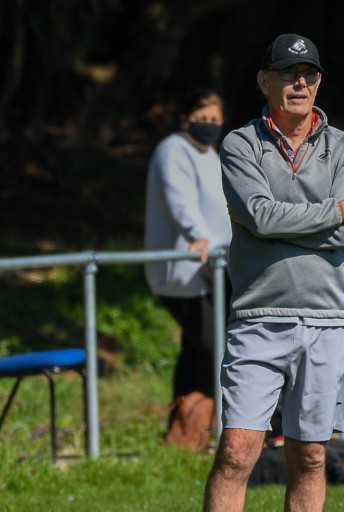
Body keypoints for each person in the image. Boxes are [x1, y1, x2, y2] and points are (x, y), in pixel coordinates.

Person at [202, 33, 344, 512]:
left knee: (312, 455)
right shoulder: (240, 143)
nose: (299, 83)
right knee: (236, 451)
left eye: (309, 75)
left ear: (319, 83)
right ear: (264, 80)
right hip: (257, 319)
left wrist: (291, 222)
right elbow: (257, 214)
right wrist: (334, 211)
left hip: (327, 322)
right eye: (287, 73)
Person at [144, 89, 232, 446]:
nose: (208, 126)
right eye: (202, 118)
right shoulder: (172, 151)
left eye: (214, 120)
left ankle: (184, 431)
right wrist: (197, 236)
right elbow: (179, 200)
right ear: (184, 119)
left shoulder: (210, 156)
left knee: (195, 350)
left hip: (214, 269)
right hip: (182, 273)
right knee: (216, 348)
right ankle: (217, 430)